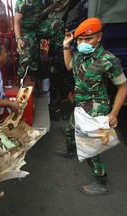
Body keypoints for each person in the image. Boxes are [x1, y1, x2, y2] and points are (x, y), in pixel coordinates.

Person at [56, 18, 127, 195]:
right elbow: (68, 66)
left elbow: (123, 87)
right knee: (70, 129)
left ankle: (102, 183)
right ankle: (70, 151)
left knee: (90, 148)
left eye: (88, 39)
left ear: (99, 37)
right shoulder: (79, 55)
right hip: (80, 105)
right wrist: (66, 45)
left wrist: (114, 113)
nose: (83, 43)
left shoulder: (108, 60)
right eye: (79, 40)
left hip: (96, 108)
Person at [14, 0, 66, 83]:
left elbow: (54, 9)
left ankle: (56, 57)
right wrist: (18, 38)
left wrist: (55, 5)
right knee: (26, 58)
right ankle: (21, 81)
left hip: (38, 25)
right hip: (25, 30)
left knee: (58, 24)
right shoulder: (22, 2)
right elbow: (17, 22)